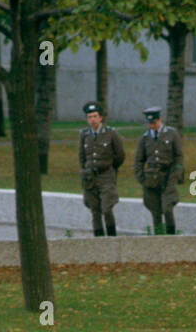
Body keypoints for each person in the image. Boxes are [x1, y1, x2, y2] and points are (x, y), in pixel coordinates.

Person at [134, 106, 184, 234]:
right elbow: (139, 160)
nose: (152, 125)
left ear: (160, 119)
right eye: (150, 123)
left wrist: (177, 172)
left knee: (167, 208)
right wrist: (141, 177)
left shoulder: (171, 134)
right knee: (155, 211)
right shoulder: (144, 138)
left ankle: (171, 236)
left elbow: (178, 156)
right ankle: (158, 237)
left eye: (154, 122)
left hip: (169, 176)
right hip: (151, 178)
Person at [79, 101, 125, 236]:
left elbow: (120, 156)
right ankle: (98, 240)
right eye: (89, 117)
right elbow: (82, 156)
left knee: (107, 208)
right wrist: (85, 170)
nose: (92, 120)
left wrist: (110, 168)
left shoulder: (111, 133)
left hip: (106, 176)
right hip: (90, 177)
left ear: (100, 118)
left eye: (94, 116)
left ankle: (112, 237)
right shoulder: (84, 134)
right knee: (94, 210)